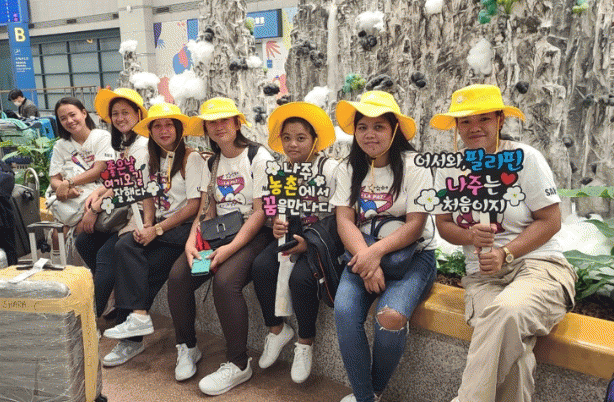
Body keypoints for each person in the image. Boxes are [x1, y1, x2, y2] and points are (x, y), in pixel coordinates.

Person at [430, 84, 576, 402]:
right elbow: (444, 224)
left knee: (506, 312)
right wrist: (469, 236)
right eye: (465, 121)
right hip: (483, 277)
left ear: (499, 120)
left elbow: (551, 220)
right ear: (456, 126)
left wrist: (505, 252)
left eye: (483, 118)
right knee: (515, 356)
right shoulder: (448, 168)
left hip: (539, 266)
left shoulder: (525, 159)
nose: (474, 127)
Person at [331, 91, 437, 402]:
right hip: (362, 250)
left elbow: (415, 225)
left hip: (414, 256)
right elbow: (344, 221)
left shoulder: (416, 166)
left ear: (394, 130)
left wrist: (373, 255)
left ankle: (373, 391)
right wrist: (367, 260)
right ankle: (365, 398)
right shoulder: (347, 168)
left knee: (390, 317)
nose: (370, 134)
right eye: (362, 127)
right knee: (344, 311)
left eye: (379, 126)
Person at [166, 97, 273, 393]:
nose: (218, 126)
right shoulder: (211, 162)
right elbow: (206, 209)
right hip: (218, 234)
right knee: (179, 276)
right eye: (211, 122)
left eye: (224, 120)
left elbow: (261, 212)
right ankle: (187, 347)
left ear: (237, 123)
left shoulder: (258, 157)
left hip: (253, 235)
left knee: (226, 282)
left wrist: (229, 249)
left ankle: (239, 363)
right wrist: (191, 243)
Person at [102, 103, 203, 346]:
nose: (163, 130)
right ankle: (137, 319)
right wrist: (147, 224)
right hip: (160, 227)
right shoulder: (150, 158)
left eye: (169, 125)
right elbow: (147, 195)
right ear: (150, 130)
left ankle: (133, 334)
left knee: (142, 267)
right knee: (123, 246)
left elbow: (193, 206)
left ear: (178, 129)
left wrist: (157, 230)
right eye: (157, 126)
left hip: (182, 230)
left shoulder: (191, 158)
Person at [251, 102, 338, 383]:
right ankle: (277, 330)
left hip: (320, 238)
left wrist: (310, 243)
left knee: (301, 278)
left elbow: (341, 215)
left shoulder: (330, 169)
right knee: (261, 267)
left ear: (314, 139)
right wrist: (275, 222)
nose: (293, 144)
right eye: (287, 138)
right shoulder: (280, 169)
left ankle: (305, 341)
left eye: (301, 138)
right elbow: (272, 204)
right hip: (290, 234)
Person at [75, 88, 149, 366]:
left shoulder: (142, 145)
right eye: (115, 114)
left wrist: (96, 208)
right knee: (84, 241)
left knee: (110, 255)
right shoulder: (125, 144)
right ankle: (107, 297)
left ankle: (89, 321)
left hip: (141, 214)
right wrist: (99, 193)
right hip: (124, 211)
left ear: (139, 114)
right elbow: (118, 182)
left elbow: (133, 189)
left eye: (125, 112)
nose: (119, 118)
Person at [47, 97, 114, 235]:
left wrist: (68, 182)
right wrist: (66, 191)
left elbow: (98, 170)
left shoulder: (102, 137)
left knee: (74, 231)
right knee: (57, 234)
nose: (69, 121)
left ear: (84, 113)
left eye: (73, 115)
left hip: (99, 197)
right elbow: (54, 179)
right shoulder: (60, 146)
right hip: (72, 201)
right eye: (63, 118)